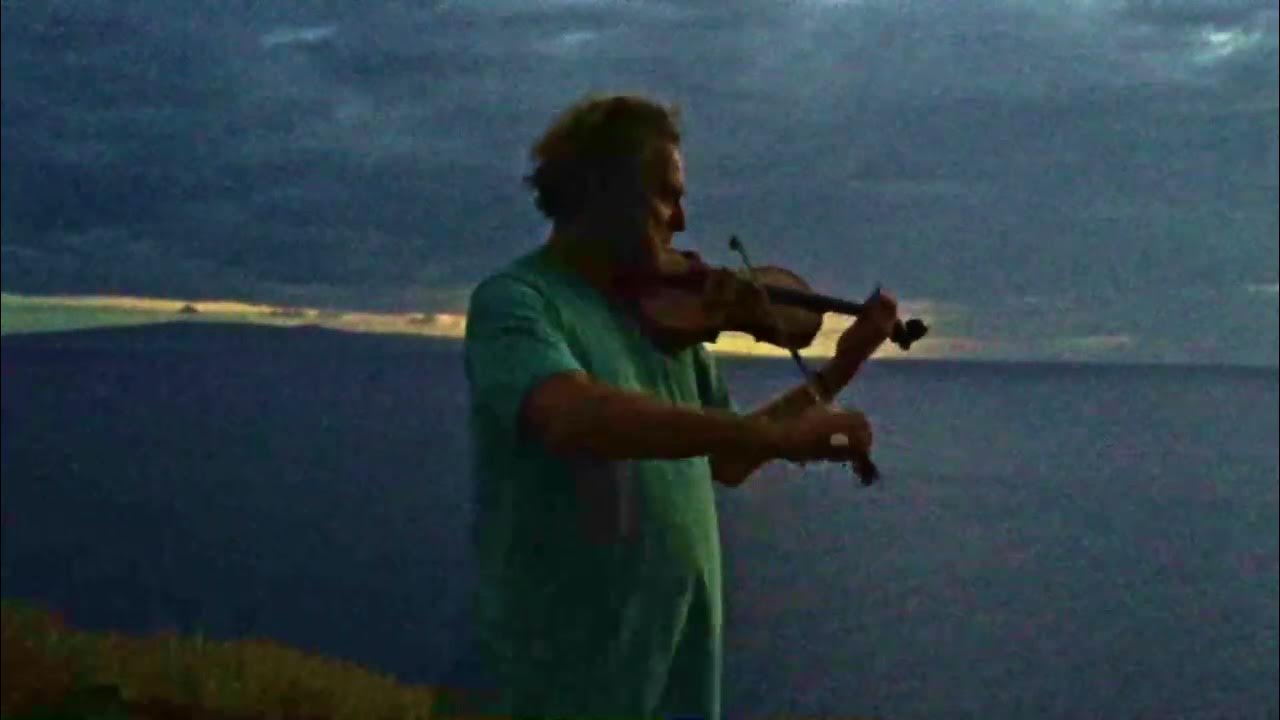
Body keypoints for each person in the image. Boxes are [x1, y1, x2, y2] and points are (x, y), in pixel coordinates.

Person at [461, 93, 899, 719]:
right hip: (560, 684)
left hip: (675, 683)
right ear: (602, 190)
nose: (683, 220)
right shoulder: (518, 301)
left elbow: (730, 455)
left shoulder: (669, 324)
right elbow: (572, 415)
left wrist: (841, 368)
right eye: (666, 195)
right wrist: (768, 438)